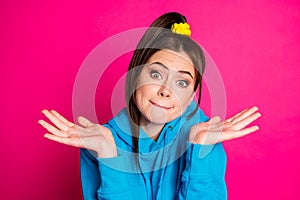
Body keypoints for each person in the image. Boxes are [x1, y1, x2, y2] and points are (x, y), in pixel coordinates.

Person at [38, 12, 261, 199]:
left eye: (182, 82)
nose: (166, 90)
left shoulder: (206, 138)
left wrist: (198, 151)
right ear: (135, 76)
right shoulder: (99, 141)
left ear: (192, 93)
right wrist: (109, 154)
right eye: (156, 74)